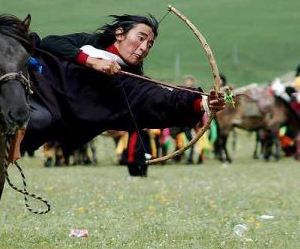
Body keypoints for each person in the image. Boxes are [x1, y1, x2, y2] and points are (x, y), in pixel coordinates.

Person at [21, 13, 227, 159]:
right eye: (141, 38)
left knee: (39, 122)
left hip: (50, 115)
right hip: (28, 83)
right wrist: (91, 61)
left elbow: (163, 100)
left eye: (150, 44)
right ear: (120, 33)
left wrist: (203, 103)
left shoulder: (132, 83)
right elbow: (50, 43)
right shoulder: (89, 43)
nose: (144, 47)